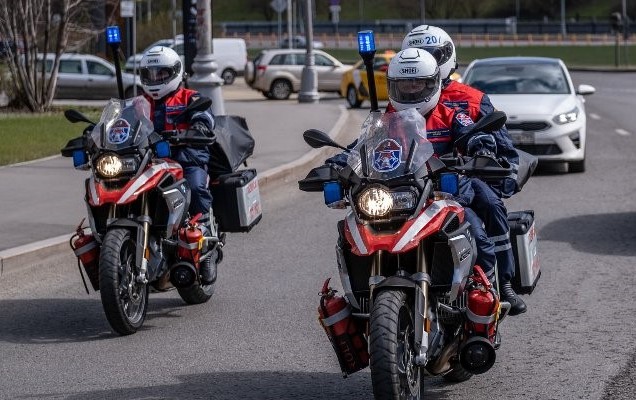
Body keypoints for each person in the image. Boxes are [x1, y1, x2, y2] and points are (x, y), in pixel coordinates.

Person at [328, 48, 498, 288]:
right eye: (404, 84)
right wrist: (337, 162)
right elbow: (361, 147)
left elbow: (473, 135)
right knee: (354, 230)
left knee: (477, 234)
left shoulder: (451, 115)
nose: (410, 89)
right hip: (398, 193)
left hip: (444, 193)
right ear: (392, 86)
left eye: (417, 84)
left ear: (433, 84)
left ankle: (487, 289)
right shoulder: (386, 120)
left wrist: (482, 149)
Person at [401, 25, 526, 315]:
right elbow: (377, 139)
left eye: (432, 55)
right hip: (411, 185)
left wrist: (487, 160)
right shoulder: (400, 106)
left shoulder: (469, 100)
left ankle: (500, 284)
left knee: (489, 207)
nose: (426, 60)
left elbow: (494, 144)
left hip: (459, 180)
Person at [139, 46, 219, 285]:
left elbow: (205, 115)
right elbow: (122, 121)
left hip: (186, 159)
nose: (156, 80)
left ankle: (206, 244)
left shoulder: (189, 97)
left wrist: (199, 127)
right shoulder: (139, 102)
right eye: (150, 74)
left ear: (175, 72)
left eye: (162, 74)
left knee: (195, 185)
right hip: (148, 162)